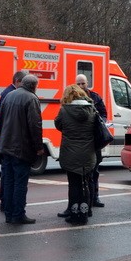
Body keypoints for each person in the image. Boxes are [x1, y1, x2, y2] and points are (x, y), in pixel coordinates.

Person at [0, 74, 43, 225]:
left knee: (8, 181)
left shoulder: (8, 96)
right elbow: (35, 126)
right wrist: (39, 147)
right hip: (21, 148)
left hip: (6, 146)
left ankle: (8, 214)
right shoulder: (31, 99)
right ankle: (18, 214)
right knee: (20, 183)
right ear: (34, 86)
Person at [54, 84, 98, 225]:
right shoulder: (92, 109)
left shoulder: (64, 111)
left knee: (74, 185)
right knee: (86, 182)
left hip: (70, 153)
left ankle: (74, 215)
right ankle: (85, 213)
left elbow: (58, 125)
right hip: (88, 153)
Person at [0, 70, 28, 212]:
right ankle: (9, 205)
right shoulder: (10, 94)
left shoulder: (6, 93)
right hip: (12, 142)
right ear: (18, 82)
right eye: (24, 82)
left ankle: (5, 204)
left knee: (7, 176)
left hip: (5, 141)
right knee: (11, 178)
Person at [75, 74, 107, 208]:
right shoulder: (73, 98)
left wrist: (100, 123)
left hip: (94, 140)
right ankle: (82, 200)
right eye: (79, 84)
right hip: (81, 141)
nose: (82, 86)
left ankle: (95, 197)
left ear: (87, 83)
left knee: (95, 170)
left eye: (83, 83)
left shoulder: (95, 97)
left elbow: (104, 114)